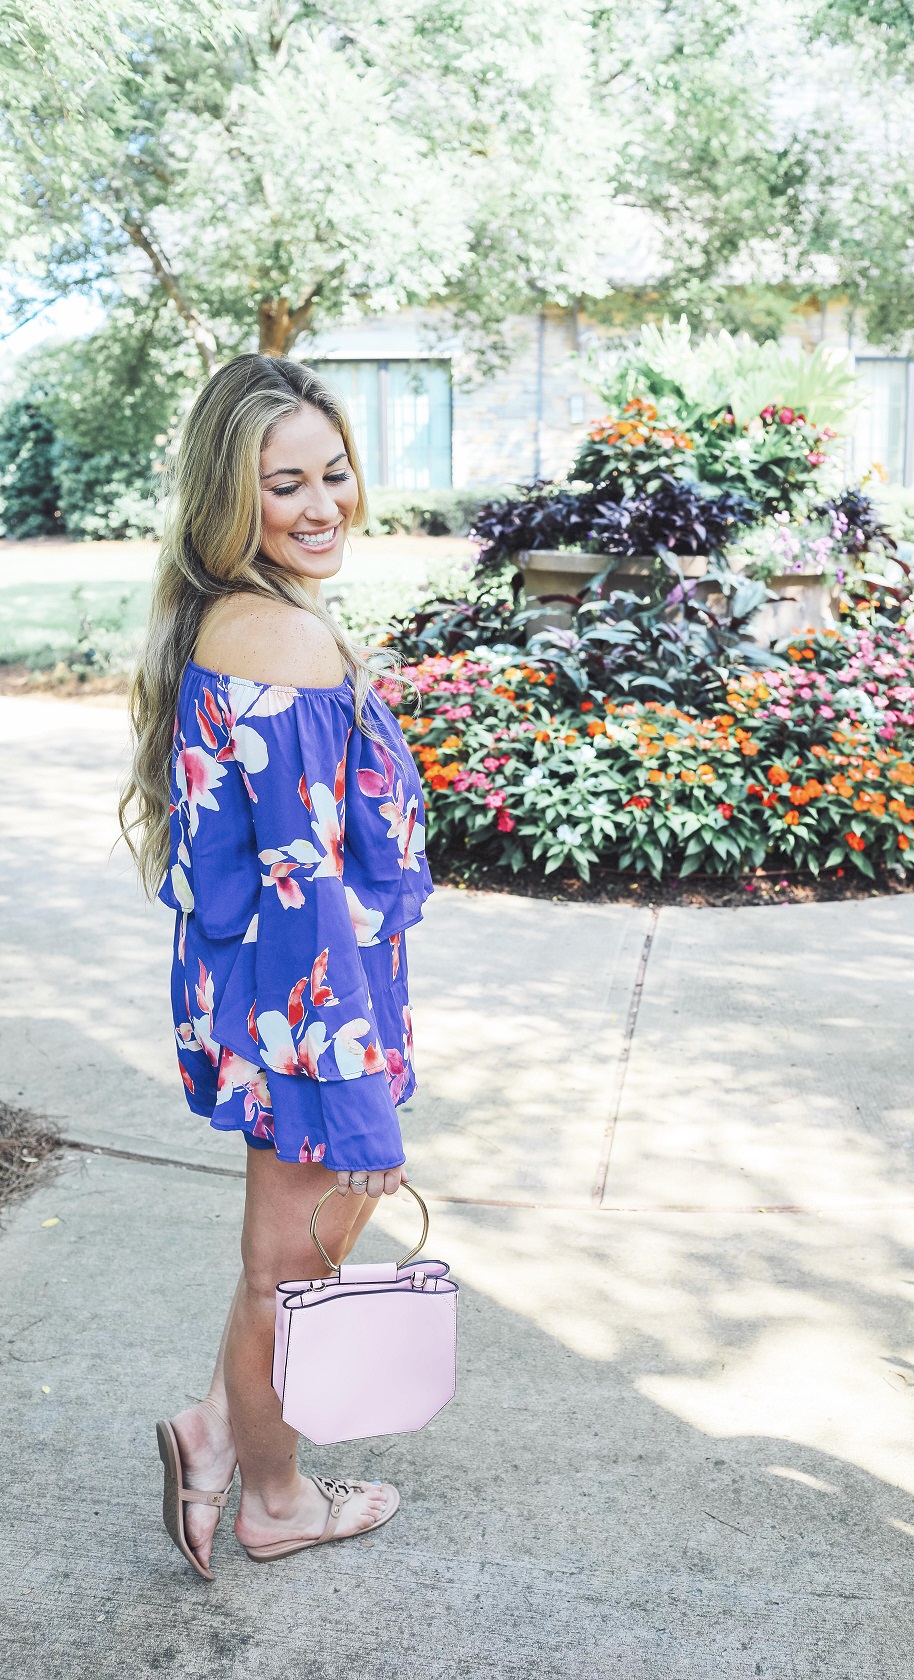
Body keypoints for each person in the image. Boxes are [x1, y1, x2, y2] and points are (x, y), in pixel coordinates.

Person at [120, 354, 433, 1577]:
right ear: (224, 500)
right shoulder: (288, 641)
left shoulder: (219, 616)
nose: (321, 505)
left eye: (334, 473)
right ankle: (275, 1501)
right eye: (282, 484)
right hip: (306, 1008)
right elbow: (308, 897)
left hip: (260, 997)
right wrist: (358, 1098)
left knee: (291, 1250)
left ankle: (214, 1430)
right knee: (287, 1273)